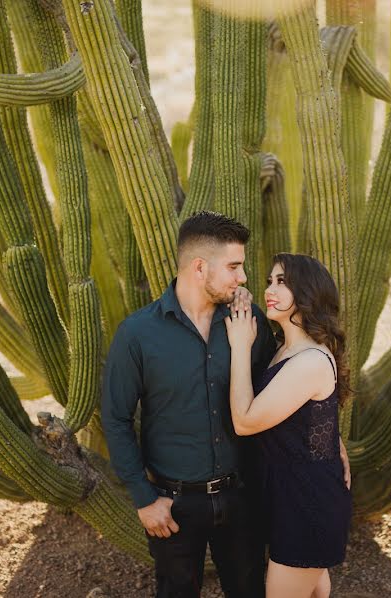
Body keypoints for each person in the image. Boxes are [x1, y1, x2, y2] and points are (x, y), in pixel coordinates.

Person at [101, 211, 277, 597]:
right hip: (172, 505)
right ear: (200, 267)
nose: (243, 277)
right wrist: (144, 499)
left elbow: (279, 390)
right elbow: (115, 418)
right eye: (234, 266)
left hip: (240, 496)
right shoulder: (138, 334)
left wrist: (329, 445)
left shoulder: (247, 320)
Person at [225, 253, 353, 598]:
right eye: (269, 281)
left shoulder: (309, 360)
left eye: (282, 282)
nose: (270, 288)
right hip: (294, 497)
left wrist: (239, 345)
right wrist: (336, 447)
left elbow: (246, 422)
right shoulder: (287, 351)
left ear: (308, 292)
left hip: (307, 507)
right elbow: (313, 418)